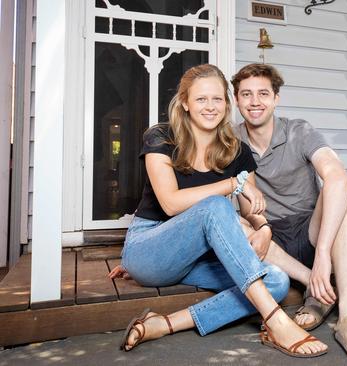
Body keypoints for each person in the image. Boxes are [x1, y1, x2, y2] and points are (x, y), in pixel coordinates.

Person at [109, 64, 328, 357]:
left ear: (226, 104)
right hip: (151, 247)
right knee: (214, 206)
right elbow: (171, 203)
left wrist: (263, 228)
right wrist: (232, 185)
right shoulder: (161, 138)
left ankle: (164, 324)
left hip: (198, 256)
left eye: (217, 99)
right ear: (185, 103)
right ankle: (276, 322)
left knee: (275, 280)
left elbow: (253, 209)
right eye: (201, 99)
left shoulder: (236, 150)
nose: (210, 107)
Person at [231, 63, 347, 363]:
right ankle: (315, 286)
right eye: (246, 94)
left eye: (263, 93)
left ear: (276, 98)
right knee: (231, 221)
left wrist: (323, 253)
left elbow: (338, 176)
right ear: (236, 100)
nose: (254, 101)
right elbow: (244, 210)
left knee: (338, 191)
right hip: (270, 241)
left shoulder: (299, 130)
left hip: (311, 232)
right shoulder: (231, 139)